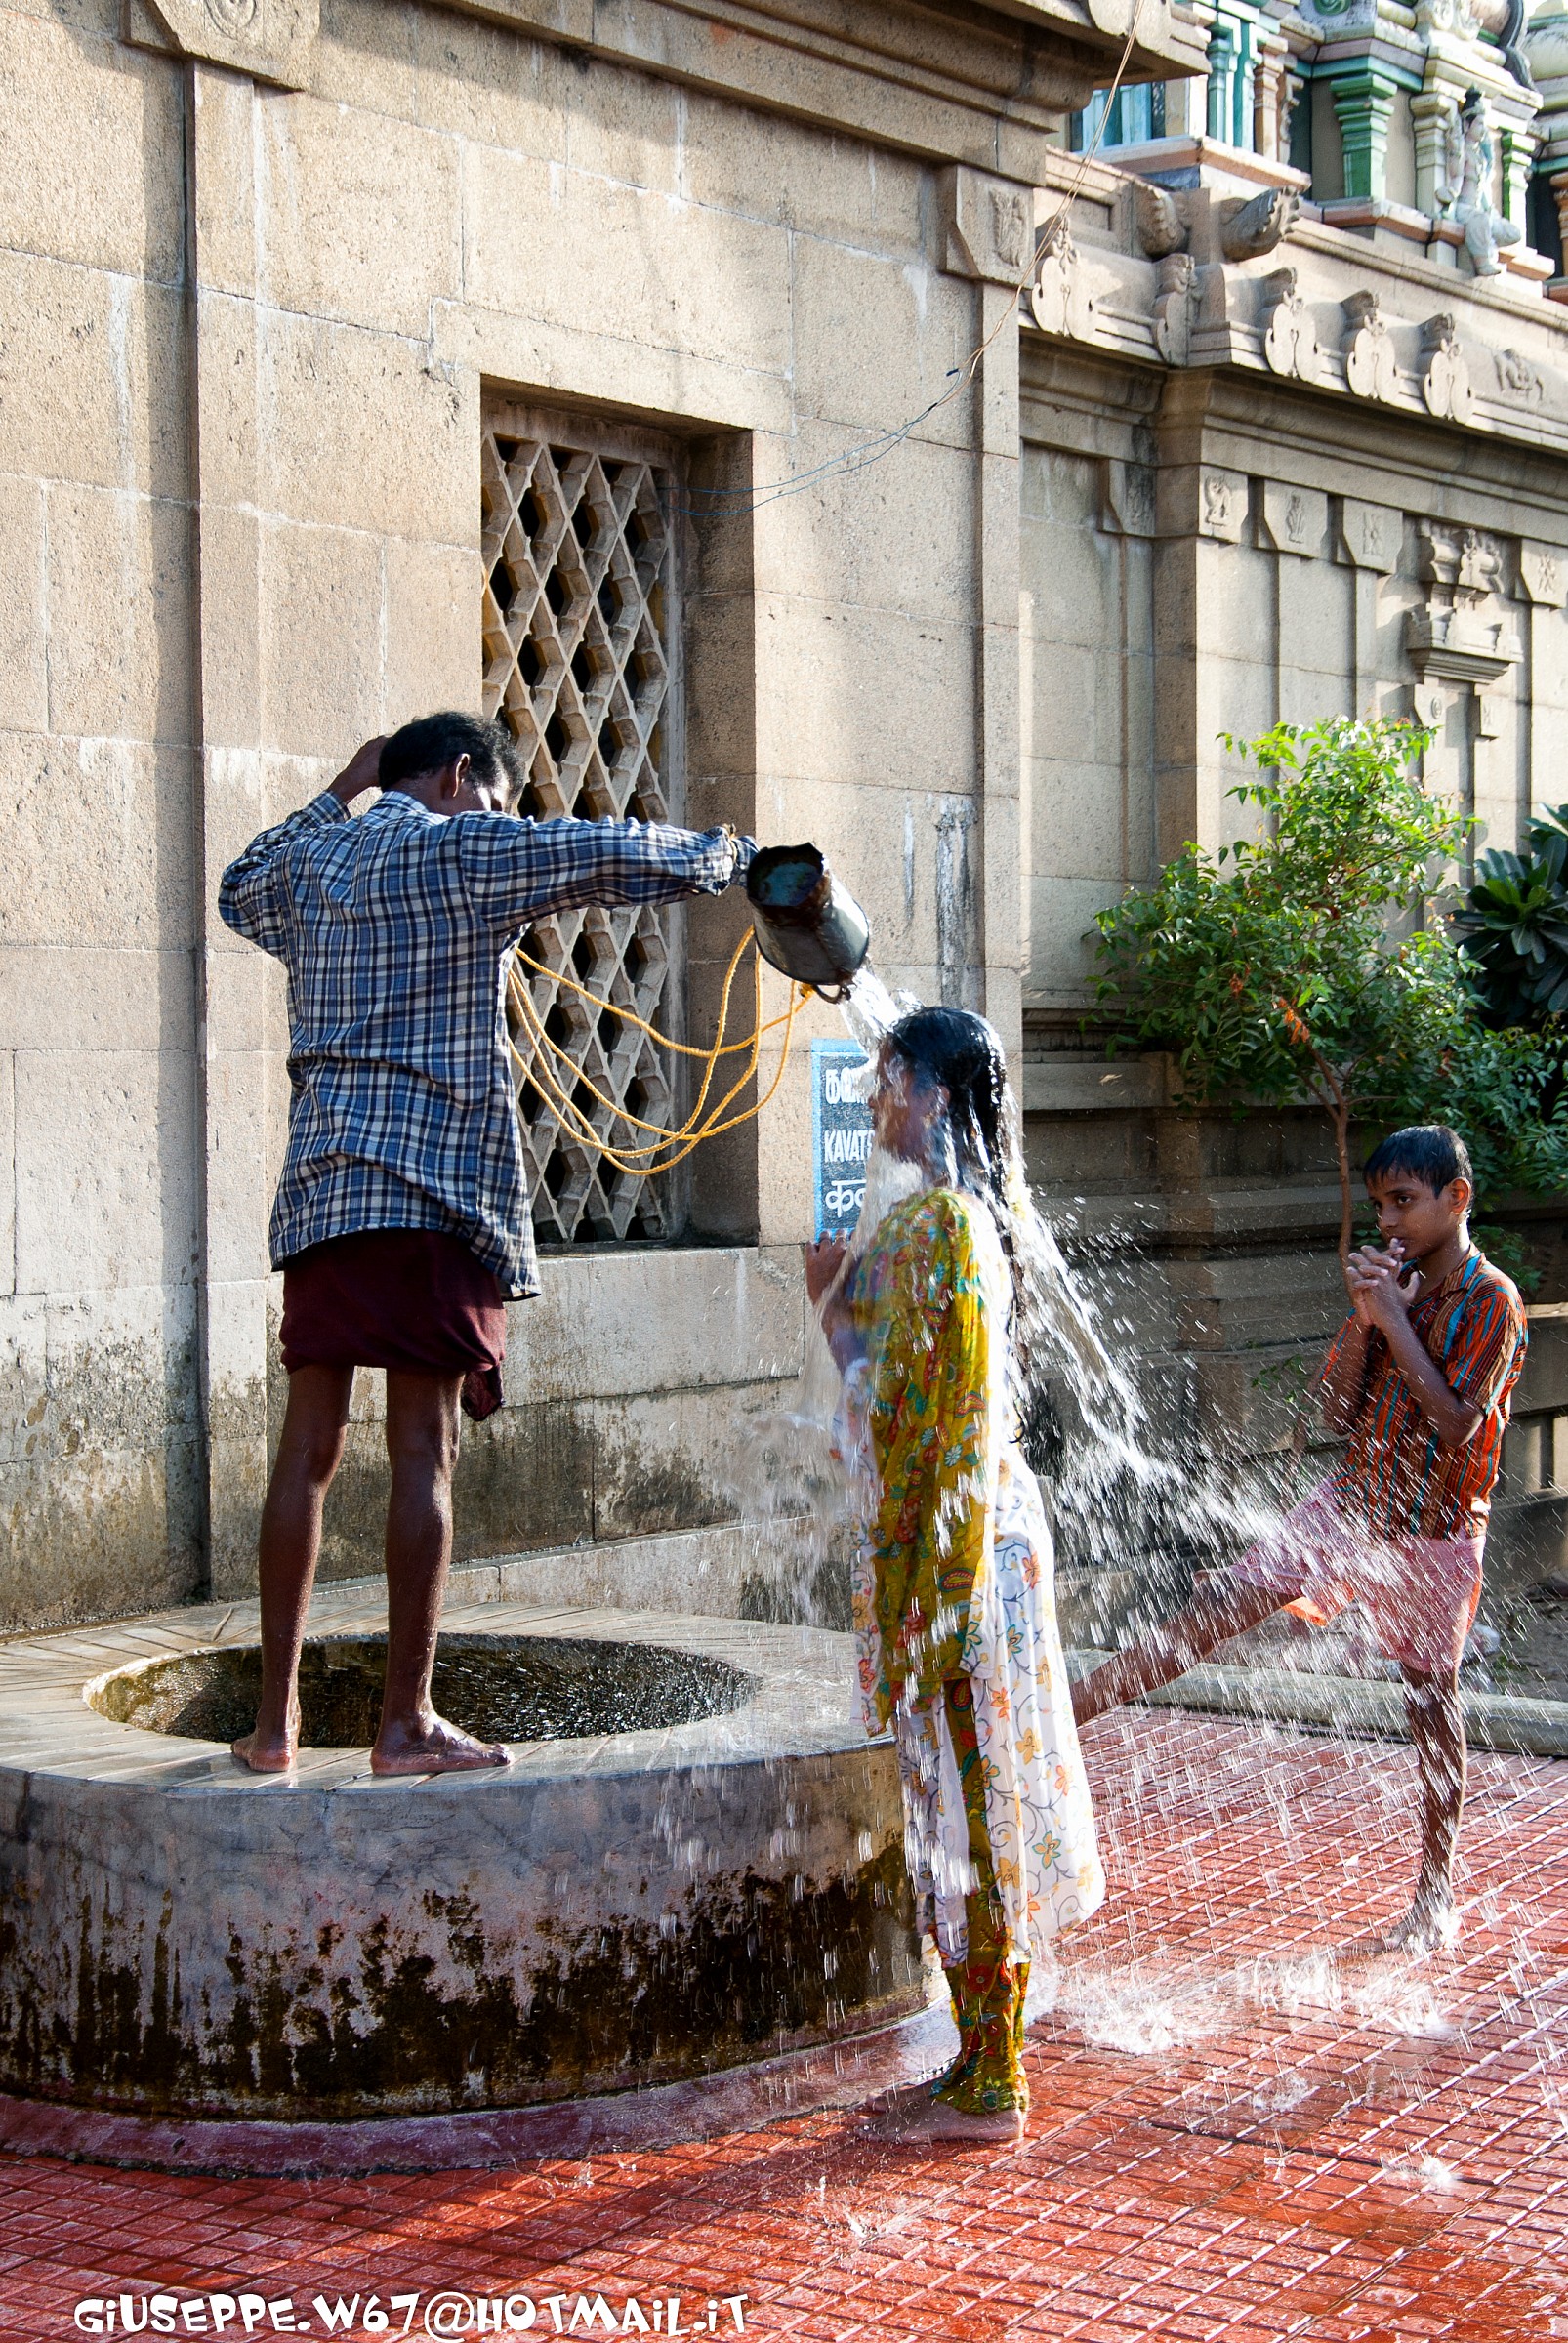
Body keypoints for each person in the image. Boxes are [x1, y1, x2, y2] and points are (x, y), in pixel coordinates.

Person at [220, 712, 755, 1776]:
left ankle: (271, 1729)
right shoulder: (461, 847)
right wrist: (723, 858)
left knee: (307, 1449)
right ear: (462, 778)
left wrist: (344, 783)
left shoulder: (313, 859)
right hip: (431, 1191)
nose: (498, 818)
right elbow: (598, 854)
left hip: (322, 1184)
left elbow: (238, 888)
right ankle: (403, 1724)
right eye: (494, 797)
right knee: (424, 1449)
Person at [1073, 1125, 1527, 1954]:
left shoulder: (1491, 1299)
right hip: (1350, 1505)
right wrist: (1366, 1322)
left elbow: (1461, 1427)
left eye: (1404, 1202)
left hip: (1433, 1532)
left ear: (1455, 1200)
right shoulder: (1393, 1287)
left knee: (1430, 1703)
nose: (1387, 1222)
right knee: (1217, 1608)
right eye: (1380, 1203)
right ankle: (1063, 1719)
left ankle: (1436, 1891)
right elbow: (1334, 1414)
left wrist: (1392, 1318)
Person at [805, 1007, 1104, 2145]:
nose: (874, 1097)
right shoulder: (983, 1214)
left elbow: (903, 1411)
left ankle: (993, 2071)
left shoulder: (934, 1228)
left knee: (966, 1794)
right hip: (988, 1531)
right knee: (970, 1789)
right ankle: (986, 2045)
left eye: (886, 1078)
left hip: (957, 1551)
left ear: (929, 1096)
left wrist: (830, 1317)